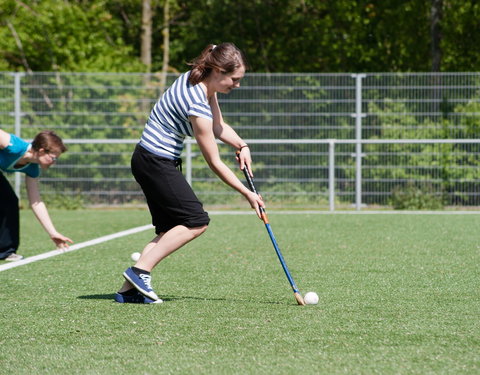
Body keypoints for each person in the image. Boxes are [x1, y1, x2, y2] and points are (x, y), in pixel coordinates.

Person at [115, 42, 264, 304]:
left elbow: (218, 127)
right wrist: (247, 193)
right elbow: (214, 162)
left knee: (170, 229)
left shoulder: (202, 80)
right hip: (154, 161)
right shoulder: (196, 101)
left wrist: (242, 145)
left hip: (152, 159)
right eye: (235, 79)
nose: (237, 85)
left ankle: (128, 290)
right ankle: (139, 271)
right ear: (218, 70)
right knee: (196, 220)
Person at [0, 129, 73, 261]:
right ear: (41, 151)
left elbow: (36, 202)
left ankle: (5, 251)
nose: (54, 162)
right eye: (53, 157)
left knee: (9, 201)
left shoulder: (32, 168)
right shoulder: (14, 146)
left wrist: (53, 233)